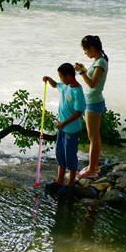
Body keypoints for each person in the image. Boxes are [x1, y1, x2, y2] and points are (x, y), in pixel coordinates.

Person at [41, 63, 85, 195]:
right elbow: (56, 85)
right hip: (61, 128)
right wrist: (49, 79)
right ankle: (59, 181)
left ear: (69, 76)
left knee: (70, 155)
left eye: (61, 77)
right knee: (60, 153)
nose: (60, 79)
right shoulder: (64, 86)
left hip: (71, 129)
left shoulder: (77, 91)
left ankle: (70, 183)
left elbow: (78, 112)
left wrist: (63, 123)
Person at [73, 35, 108, 178]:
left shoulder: (100, 63)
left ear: (92, 48)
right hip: (91, 101)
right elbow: (93, 79)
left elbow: (93, 84)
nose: (85, 53)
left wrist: (81, 73)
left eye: (85, 50)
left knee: (93, 137)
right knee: (93, 136)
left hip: (94, 102)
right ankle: (93, 165)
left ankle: (92, 169)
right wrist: (84, 70)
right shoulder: (98, 61)